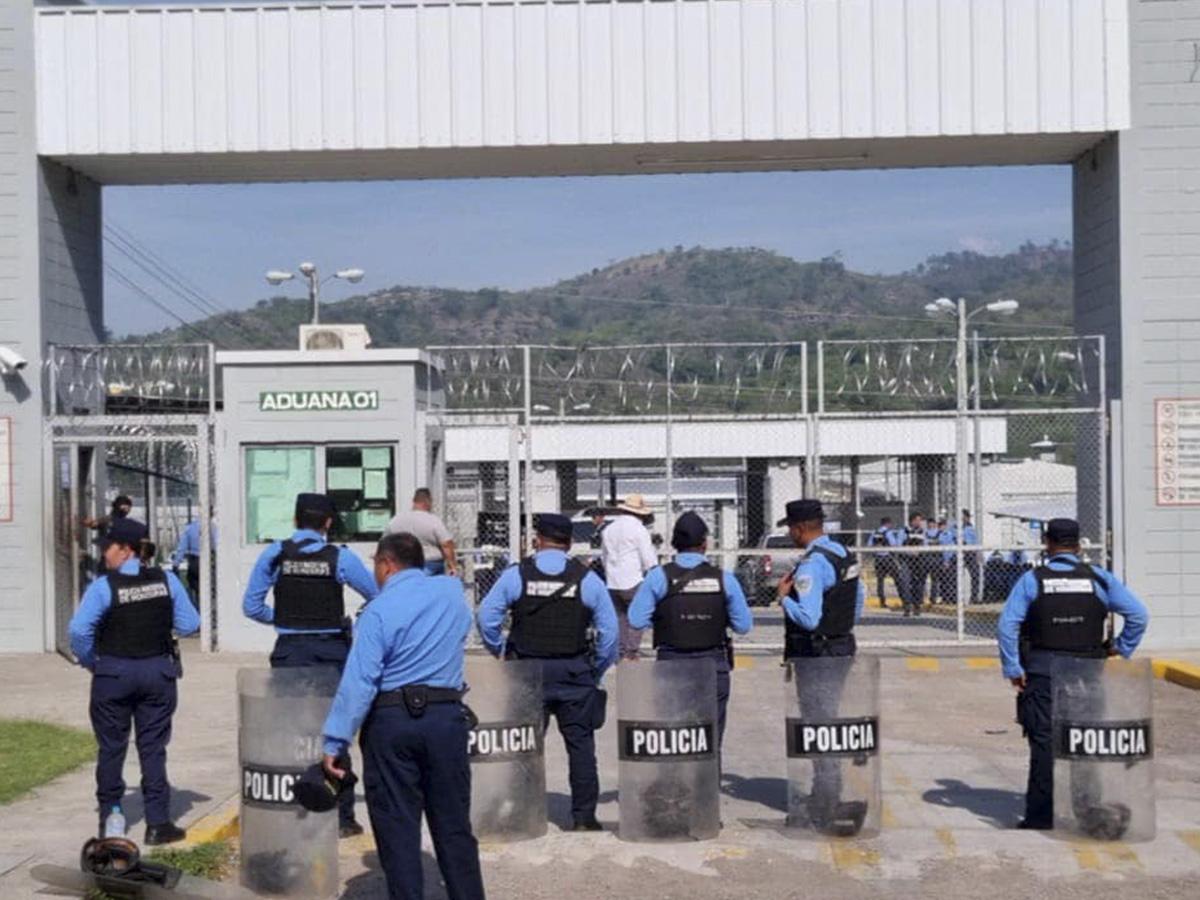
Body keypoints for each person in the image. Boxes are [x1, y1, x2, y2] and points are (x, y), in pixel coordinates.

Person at [321, 532, 484, 900]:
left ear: (386, 564)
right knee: (454, 825)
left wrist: (335, 741)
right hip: (446, 718)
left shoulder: (378, 610)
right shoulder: (451, 595)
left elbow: (361, 680)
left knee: (397, 828)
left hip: (391, 723)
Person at [997, 518, 1148, 833]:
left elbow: (1007, 624)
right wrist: (1119, 647)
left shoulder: (1032, 580)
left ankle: (1040, 817)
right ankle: (1086, 812)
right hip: (1086, 672)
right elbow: (1138, 615)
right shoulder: (1099, 579)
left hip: (1042, 673)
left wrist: (1013, 667)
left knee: (1042, 744)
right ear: (1079, 546)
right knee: (1084, 741)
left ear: (1048, 544)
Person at [243, 492, 379, 837]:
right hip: (331, 650)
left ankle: (297, 806)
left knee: (290, 730)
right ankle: (344, 818)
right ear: (328, 523)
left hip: (289, 650)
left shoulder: (275, 554)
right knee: (337, 730)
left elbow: (252, 606)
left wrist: (285, 618)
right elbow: (376, 594)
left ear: (295, 520)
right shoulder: (341, 559)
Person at [477, 513, 619, 832]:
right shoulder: (587, 579)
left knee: (522, 745)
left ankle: (520, 813)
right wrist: (594, 669)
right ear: (568, 543)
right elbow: (610, 635)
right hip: (573, 672)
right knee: (581, 747)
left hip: (527, 673)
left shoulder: (517, 575)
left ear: (537, 540)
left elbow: (487, 616)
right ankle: (584, 818)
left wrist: (500, 651)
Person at [67, 518, 199, 845]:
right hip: (157, 672)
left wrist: (91, 661)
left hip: (113, 673)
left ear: (126, 550)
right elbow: (190, 623)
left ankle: (111, 823)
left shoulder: (103, 586)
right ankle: (157, 823)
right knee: (153, 748)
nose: (105, 555)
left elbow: (78, 632)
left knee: (112, 748)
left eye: (108, 548)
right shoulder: (166, 581)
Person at [776, 499, 867, 834]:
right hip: (842, 646)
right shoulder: (843, 554)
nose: (790, 533)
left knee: (818, 724)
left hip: (818, 654)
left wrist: (784, 598)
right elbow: (858, 602)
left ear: (801, 528)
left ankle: (826, 798)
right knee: (827, 719)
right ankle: (827, 792)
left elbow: (810, 618)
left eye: (790, 528)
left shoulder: (813, 565)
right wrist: (840, 626)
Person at [627, 511, 753, 750]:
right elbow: (743, 626)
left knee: (675, 736)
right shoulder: (724, 579)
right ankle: (707, 784)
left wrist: (664, 620)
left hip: (671, 661)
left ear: (674, 544)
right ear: (705, 544)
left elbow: (635, 619)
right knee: (710, 736)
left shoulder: (658, 577)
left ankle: (679, 784)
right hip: (713, 663)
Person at [600, 494, 657, 660]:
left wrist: (609, 571)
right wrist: (652, 572)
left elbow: (604, 556)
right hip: (632, 579)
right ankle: (631, 652)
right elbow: (648, 558)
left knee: (620, 618)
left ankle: (620, 650)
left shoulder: (608, 529)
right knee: (637, 616)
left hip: (612, 580)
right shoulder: (639, 529)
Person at [385, 487, 458, 577]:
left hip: (404, 564)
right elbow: (446, 544)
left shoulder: (396, 520)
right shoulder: (433, 520)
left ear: (414, 501)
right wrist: (452, 566)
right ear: (428, 501)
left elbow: (385, 543)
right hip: (431, 564)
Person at [169, 516, 217, 609]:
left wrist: (176, 564)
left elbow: (181, 548)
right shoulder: (213, 527)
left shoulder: (190, 528)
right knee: (211, 589)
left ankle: (199, 609)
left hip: (194, 562)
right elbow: (217, 545)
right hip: (208, 560)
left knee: (196, 588)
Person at [867, 517, 903, 610]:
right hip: (887, 558)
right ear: (888, 524)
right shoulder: (888, 532)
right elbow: (894, 544)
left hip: (878, 559)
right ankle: (904, 599)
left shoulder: (874, 533)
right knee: (897, 578)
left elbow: (869, 545)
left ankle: (882, 601)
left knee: (880, 580)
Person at [899, 512, 927, 616]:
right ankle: (907, 606)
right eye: (917, 520)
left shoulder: (922, 532)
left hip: (918, 560)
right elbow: (898, 545)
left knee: (918, 584)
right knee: (905, 583)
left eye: (920, 520)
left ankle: (917, 606)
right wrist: (908, 551)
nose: (919, 522)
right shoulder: (904, 531)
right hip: (907, 560)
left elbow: (926, 544)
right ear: (912, 521)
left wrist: (920, 551)